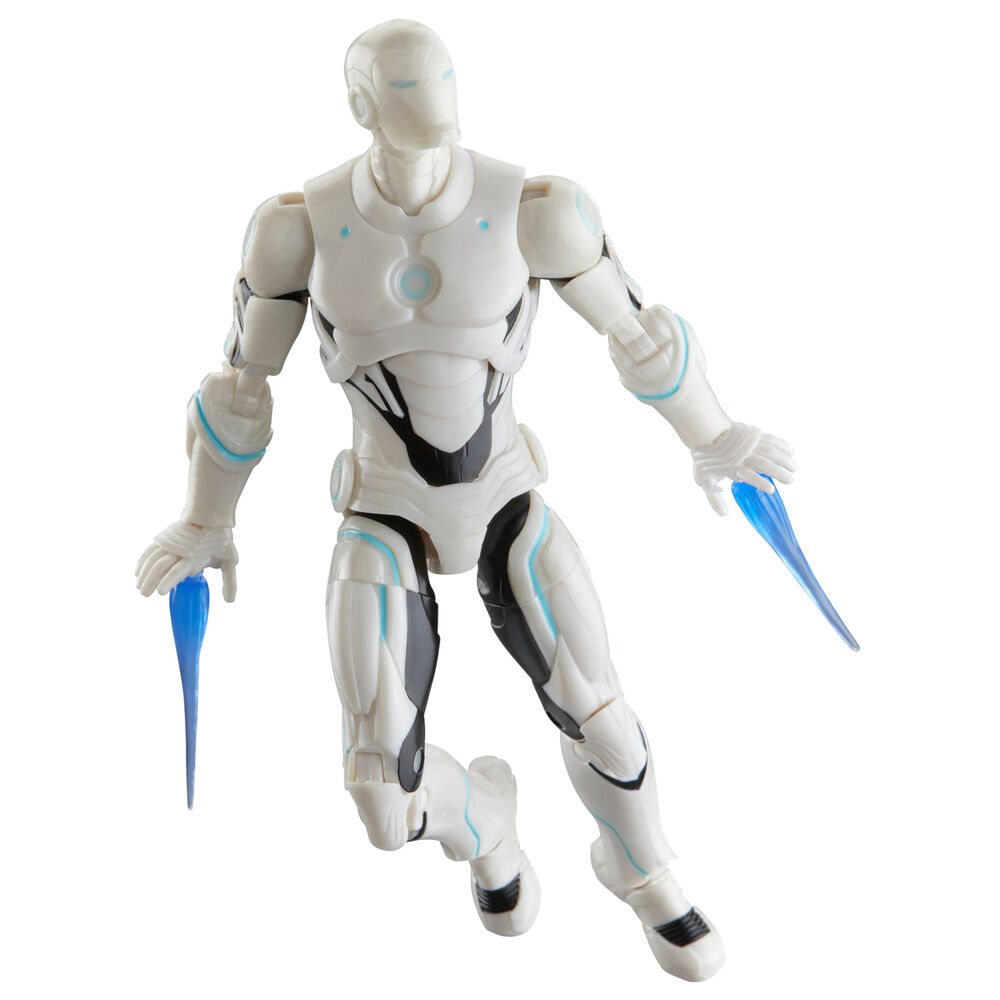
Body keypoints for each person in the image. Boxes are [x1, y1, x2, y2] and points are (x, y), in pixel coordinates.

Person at [135, 19, 796, 982]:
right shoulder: (296, 227)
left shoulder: (539, 209)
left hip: (505, 500)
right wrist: (206, 519)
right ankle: (484, 822)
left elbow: (641, 334)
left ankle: (643, 870)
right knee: (381, 799)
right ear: (360, 104)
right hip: (382, 512)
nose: (435, 98)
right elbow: (240, 388)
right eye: (407, 84)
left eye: (441, 74)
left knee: (601, 713)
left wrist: (717, 436)